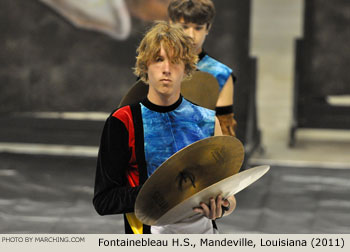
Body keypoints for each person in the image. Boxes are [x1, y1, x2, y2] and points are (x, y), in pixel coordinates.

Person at [93, 21, 236, 234]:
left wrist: (222, 209)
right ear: (145, 66)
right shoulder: (123, 122)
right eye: (158, 60)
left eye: (175, 61)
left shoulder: (207, 121)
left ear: (186, 68)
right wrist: (163, 192)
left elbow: (230, 197)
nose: (166, 69)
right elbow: (104, 200)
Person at [168, 0, 237, 136]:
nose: (191, 35)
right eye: (184, 27)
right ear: (171, 24)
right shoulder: (155, 66)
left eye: (198, 28)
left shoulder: (220, 74)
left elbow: (224, 132)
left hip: (201, 152)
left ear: (208, 28)